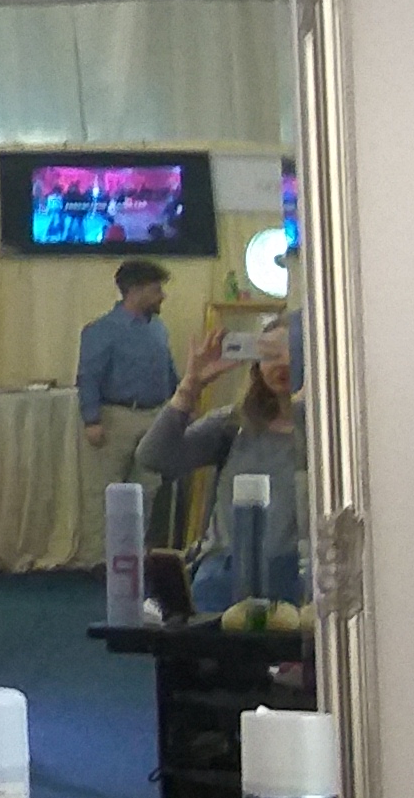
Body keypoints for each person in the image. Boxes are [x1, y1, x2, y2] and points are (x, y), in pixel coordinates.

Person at [137, 315, 311, 611]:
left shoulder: (328, 435)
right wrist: (190, 386)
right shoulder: (234, 424)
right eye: (270, 354)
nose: (282, 363)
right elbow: (154, 457)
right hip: (222, 577)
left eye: (292, 351)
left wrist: (303, 402)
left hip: (294, 579)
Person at [75, 255, 184, 543]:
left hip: (155, 417)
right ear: (135, 291)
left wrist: (181, 407)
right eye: (156, 289)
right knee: (105, 492)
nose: (162, 296)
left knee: (146, 490)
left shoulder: (158, 328)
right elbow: (89, 376)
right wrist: (91, 420)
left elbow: (169, 372)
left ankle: (135, 554)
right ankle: (99, 558)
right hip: (116, 419)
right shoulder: (101, 330)